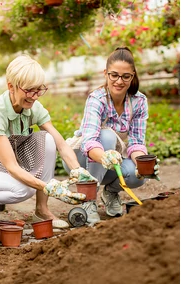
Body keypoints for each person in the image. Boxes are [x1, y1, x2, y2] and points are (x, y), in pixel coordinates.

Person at [0, 54, 96, 229]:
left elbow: (60, 144)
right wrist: (51, 188)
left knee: (49, 140)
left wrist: (78, 170)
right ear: (11, 87)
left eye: (39, 90)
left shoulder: (33, 107)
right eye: (29, 90)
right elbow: (12, 167)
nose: (35, 96)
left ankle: (41, 210)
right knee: (23, 189)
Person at [63, 46, 160, 223]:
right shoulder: (97, 99)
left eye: (126, 76)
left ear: (132, 76)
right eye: (114, 75)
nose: (119, 81)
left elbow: (137, 143)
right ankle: (88, 200)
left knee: (137, 176)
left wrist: (143, 164)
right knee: (106, 136)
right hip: (80, 161)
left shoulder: (139, 101)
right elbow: (89, 142)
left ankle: (110, 192)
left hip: (110, 163)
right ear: (106, 73)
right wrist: (105, 156)